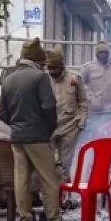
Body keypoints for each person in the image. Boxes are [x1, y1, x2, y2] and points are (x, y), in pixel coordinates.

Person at [0, 38, 81, 221]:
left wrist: (17, 126)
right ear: (36, 58)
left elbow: (2, 113)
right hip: (38, 137)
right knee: (50, 179)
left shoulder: (8, 79)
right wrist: (49, 128)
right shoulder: (39, 77)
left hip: (17, 138)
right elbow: (48, 108)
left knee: (22, 181)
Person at [46, 47, 90, 182]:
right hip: (49, 128)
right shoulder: (42, 79)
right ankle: (51, 195)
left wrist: (81, 123)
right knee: (48, 163)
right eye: (50, 68)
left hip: (70, 127)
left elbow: (83, 102)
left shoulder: (74, 78)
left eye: (55, 68)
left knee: (66, 164)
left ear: (62, 66)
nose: (52, 71)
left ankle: (64, 197)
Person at [80, 40, 111, 130]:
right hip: (97, 111)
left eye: (106, 52)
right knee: (96, 136)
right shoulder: (88, 68)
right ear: (96, 54)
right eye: (101, 52)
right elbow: (80, 85)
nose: (104, 54)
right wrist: (89, 97)